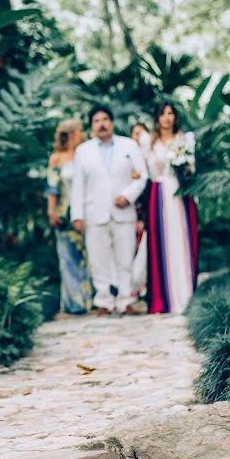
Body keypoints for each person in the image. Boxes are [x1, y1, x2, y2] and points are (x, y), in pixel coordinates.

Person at [70, 105, 148, 315]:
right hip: (95, 213)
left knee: (125, 258)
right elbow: (77, 186)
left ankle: (125, 300)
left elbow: (142, 175)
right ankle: (103, 301)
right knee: (98, 259)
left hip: (123, 212)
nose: (101, 124)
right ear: (92, 126)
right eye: (96, 121)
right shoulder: (83, 151)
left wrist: (128, 195)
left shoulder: (129, 146)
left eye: (105, 119)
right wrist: (77, 215)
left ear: (111, 122)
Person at [135, 101, 199, 314]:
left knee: (183, 242)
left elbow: (192, 170)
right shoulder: (148, 142)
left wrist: (184, 167)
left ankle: (186, 295)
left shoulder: (185, 140)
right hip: (158, 195)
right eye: (162, 114)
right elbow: (140, 169)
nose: (167, 118)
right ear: (157, 118)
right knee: (160, 244)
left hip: (181, 195)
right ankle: (163, 299)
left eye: (170, 113)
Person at [46, 118, 92, 315]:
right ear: (72, 134)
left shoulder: (85, 155)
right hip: (64, 214)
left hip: (86, 212)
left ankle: (91, 299)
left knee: (88, 257)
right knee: (68, 258)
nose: (83, 134)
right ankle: (75, 302)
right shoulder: (57, 158)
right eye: (80, 131)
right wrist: (51, 211)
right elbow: (52, 187)